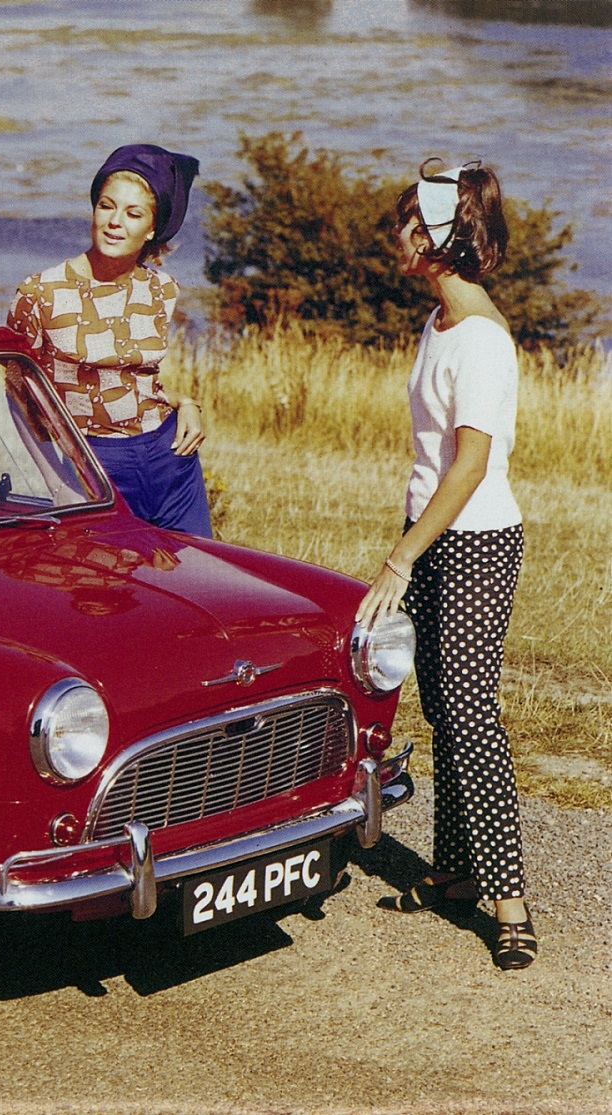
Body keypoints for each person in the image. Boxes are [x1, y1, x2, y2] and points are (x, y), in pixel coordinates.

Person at [355, 160, 534, 971]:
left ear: (445, 238)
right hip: (433, 531)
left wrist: (399, 557)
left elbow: (468, 468)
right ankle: (457, 872)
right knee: (441, 705)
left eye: (411, 225)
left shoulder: (486, 342)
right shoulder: (439, 322)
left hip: (473, 540)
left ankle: (510, 902)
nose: (400, 237)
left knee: (470, 715)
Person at [7, 143, 211, 536]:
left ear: (151, 228)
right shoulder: (40, 293)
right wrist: (59, 484)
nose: (115, 221)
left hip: (170, 459)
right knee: (105, 590)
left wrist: (187, 403)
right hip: (93, 465)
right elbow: (18, 396)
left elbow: (134, 380)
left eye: (133, 213)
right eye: (107, 206)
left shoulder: (162, 290)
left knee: (194, 579)